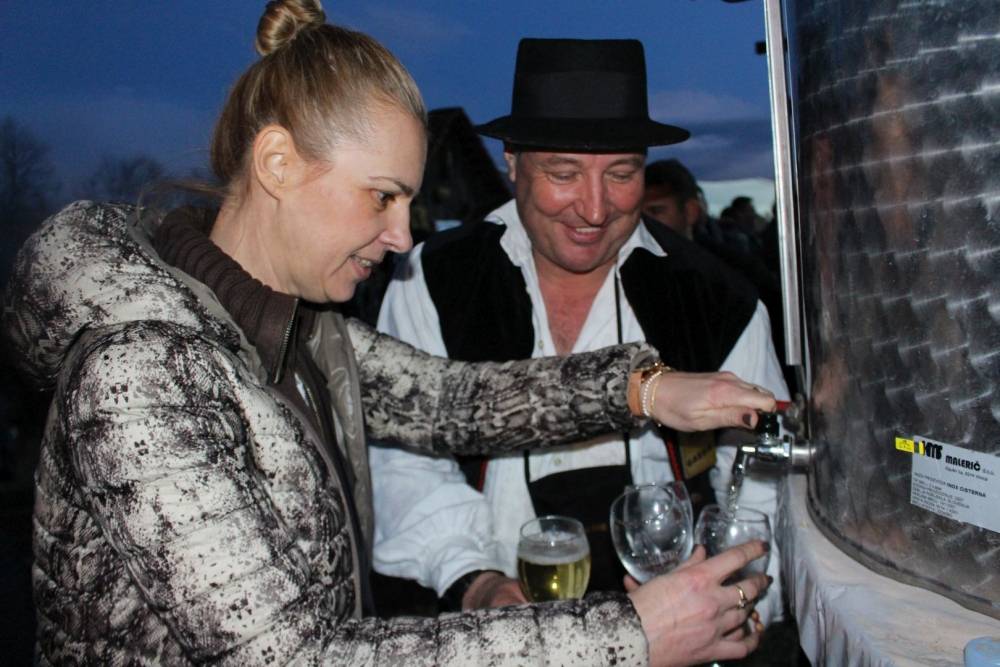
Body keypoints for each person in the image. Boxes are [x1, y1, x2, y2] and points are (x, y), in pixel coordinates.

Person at [0, 4, 776, 666]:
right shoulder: (143, 372)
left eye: (408, 202)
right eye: (381, 197)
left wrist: (644, 388)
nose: (404, 236)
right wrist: (630, 634)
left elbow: (456, 401)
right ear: (277, 163)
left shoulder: (303, 330)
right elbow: (299, 657)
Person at [370, 38, 789, 623]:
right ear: (512, 163)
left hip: (671, 617)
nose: (594, 209)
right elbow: (405, 462)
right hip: (498, 625)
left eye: (621, 173)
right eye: (564, 174)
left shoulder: (717, 297)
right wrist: (476, 581)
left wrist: (743, 595)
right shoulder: (434, 279)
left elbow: (759, 477)